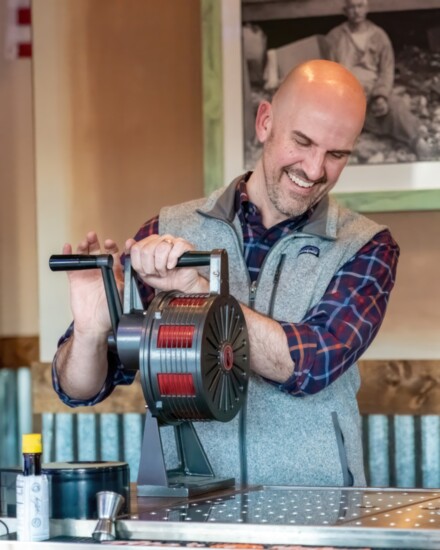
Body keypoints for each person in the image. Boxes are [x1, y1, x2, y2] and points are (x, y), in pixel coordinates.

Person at [52, 60, 399, 487]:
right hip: (191, 512)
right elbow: (80, 388)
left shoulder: (366, 246)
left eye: (336, 154)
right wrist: (90, 330)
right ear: (265, 121)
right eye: (303, 142)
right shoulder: (167, 231)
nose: (314, 169)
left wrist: (198, 293)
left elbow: (312, 363)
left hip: (319, 517)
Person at [326, 0, 431, 160]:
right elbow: (330, 72)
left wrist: (380, 95)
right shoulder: (334, 37)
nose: (356, 11)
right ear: (345, 10)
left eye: (360, 6)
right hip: (347, 94)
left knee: (395, 107)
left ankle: (417, 141)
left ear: (367, 8)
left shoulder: (379, 36)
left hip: (373, 90)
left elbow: (387, 71)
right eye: (352, 7)